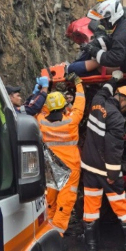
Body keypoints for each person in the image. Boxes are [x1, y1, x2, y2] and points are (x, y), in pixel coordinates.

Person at [81, 83, 126, 251]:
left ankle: (91, 246)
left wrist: (111, 81)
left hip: (88, 166)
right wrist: (113, 174)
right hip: (105, 169)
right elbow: (113, 149)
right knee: (120, 205)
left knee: (91, 206)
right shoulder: (116, 118)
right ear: (124, 100)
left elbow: (102, 90)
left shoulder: (97, 103)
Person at [37, 75, 85, 234]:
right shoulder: (71, 121)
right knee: (65, 203)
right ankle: (57, 236)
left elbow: (43, 109)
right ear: (64, 106)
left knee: (50, 202)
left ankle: (47, 232)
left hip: (51, 169)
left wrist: (44, 90)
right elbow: (80, 104)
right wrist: (78, 84)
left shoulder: (41, 121)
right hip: (70, 169)